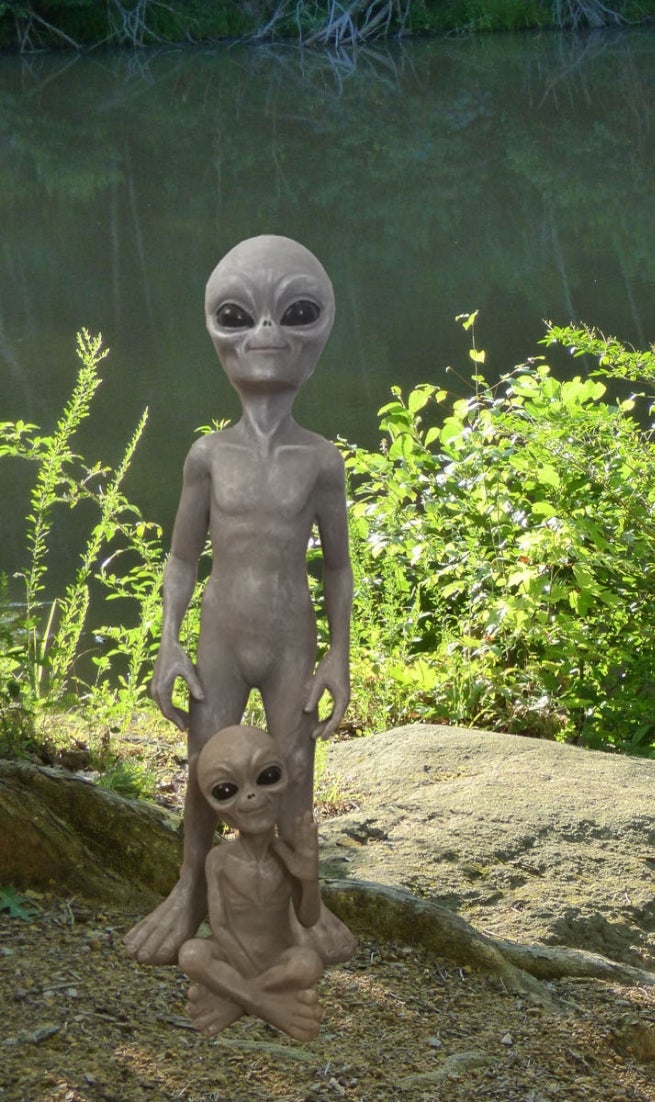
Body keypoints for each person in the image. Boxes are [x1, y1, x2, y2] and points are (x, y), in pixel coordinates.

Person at [124, 235, 354, 968]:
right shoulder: (208, 456)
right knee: (204, 762)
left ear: (319, 330)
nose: (266, 336)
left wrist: (339, 656)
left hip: (290, 637)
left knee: (294, 767)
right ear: (216, 331)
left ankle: (299, 901)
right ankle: (190, 887)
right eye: (237, 316)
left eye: (295, 314)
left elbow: (338, 566)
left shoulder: (319, 459)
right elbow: (181, 557)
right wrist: (169, 643)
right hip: (221, 633)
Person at [179, 724, 324, 1041]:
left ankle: (235, 1001)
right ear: (211, 804)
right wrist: (246, 969)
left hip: (279, 957)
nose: (251, 795)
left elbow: (308, 918)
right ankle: (269, 1005)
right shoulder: (218, 860)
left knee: (308, 963)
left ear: (285, 780)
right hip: (232, 954)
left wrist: (309, 880)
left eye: (267, 776)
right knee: (191, 954)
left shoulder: (286, 857)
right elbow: (220, 925)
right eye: (225, 791)